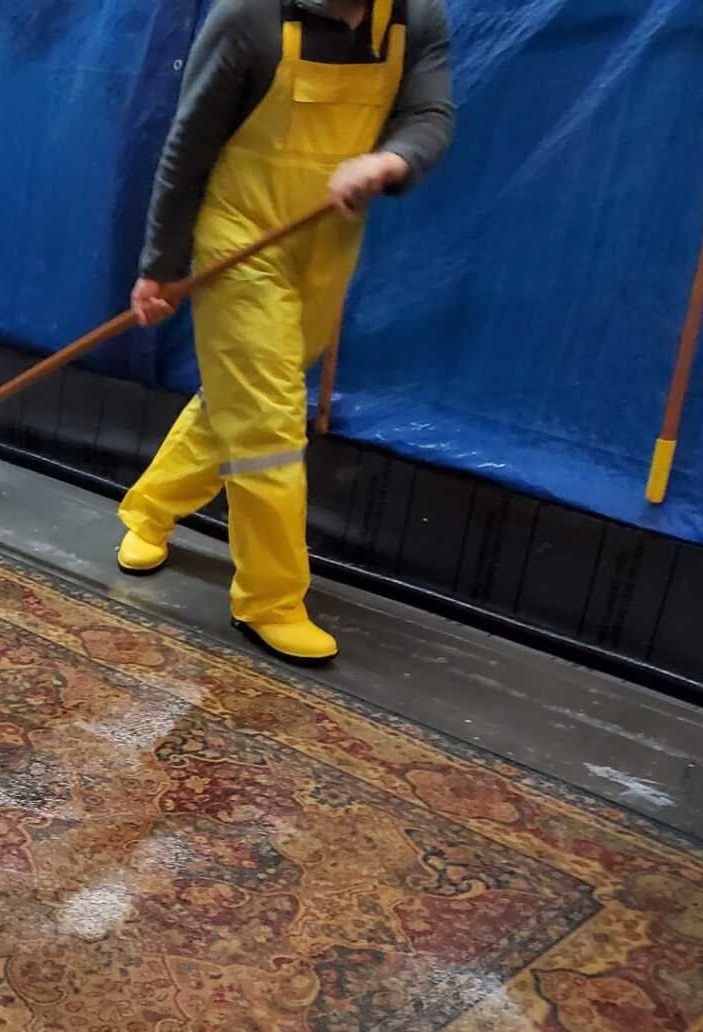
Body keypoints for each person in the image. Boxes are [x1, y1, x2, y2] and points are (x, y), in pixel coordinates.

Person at [115, 0, 452, 663]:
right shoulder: (247, 17)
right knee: (268, 420)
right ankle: (270, 601)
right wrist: (159, 267)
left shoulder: (414, 17)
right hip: (238, 236)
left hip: (327, 243)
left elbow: (428, 115)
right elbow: (188, 149)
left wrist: (388, 162)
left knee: (242, 399)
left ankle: (149, 508)